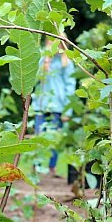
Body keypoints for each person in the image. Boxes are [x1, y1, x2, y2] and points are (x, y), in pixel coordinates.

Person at [31, 36, 76, 171]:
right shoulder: (42, 59)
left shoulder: (66, 62)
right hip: (41, 104)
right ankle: (36, 165)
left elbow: (70, 86)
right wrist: (43, 65)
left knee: (55, 137)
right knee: (39, 134)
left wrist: (67, 110)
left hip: (58, 105)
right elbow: (34, 80)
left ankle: (52, 166)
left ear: (62, 44)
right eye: (50, 42)